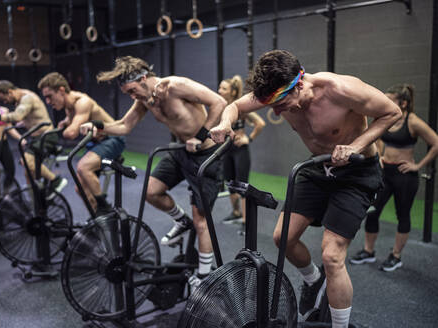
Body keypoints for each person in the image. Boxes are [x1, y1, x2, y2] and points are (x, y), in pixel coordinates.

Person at [210, 50, 401, 327]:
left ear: (298, 84)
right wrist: (225, 122)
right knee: (282, 238)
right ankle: (313, 280)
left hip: (357, 172)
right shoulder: (277, 92)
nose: (274, 111)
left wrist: (355, 146)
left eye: (279, 102)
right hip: (318, 168)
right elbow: (235, 107)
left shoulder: (340, 89)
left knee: (332, 255)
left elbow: (391, 112)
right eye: (269, 104)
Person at [79, 56, 227, 290]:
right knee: (151, 191)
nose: (132, 96)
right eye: (128, 93)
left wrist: (201, 137)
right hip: (179, 151)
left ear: (144, 79)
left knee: (202, 222)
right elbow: (124, 126)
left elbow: (219, 101)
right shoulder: (146, 99)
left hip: (205, 155)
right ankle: (181, 221)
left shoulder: (176, 86)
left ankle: (204, 277)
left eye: (132, 90)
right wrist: (97, 125)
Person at [350, 84, 438, 272]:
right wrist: (380, 155)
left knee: (402, 215)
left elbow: (435, 142)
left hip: (405, 175)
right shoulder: (387, 117)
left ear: (403, 103)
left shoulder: (412, 121)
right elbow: (379, 137)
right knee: (372, 211)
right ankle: (368, 251)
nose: (386, 102)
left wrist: (418, 166)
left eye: (391, 100)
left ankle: (396, 256)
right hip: (384, 172)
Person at [37, 72, 126, 216]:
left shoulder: (82, 102)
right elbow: (72, 118)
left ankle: (105, 207)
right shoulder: (69, 104)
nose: (48, 101)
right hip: (96, 144)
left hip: (113, 139)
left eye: (49, 96)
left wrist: (67, 128)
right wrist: (66, 122)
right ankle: (97, 219)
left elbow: (72, 133)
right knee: (80, 189)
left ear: (61, 90)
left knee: (83, 167)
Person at [0, 80, 67, 199]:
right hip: (36, 137)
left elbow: (17, 116)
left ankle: (56, 180)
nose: (5, 102)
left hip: (46, 136)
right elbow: (28, 116)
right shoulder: (21, 100)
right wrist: (25, 123)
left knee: (27, 162)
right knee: (28, 173)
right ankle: (36, 202)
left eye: (5, 99)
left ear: (10, 92)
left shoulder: (26, 98)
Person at [217, 75, 265, 235]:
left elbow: (260, 123)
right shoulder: (219, 106)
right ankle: (236, 213)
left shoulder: (239, 108)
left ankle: (246, 221)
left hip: (239, 150)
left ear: (232, 91)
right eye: (220, 88)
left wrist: (248, 138)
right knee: (229, 182)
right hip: (226, 149)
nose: (219, 91)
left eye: (223, 88)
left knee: (242, 185)